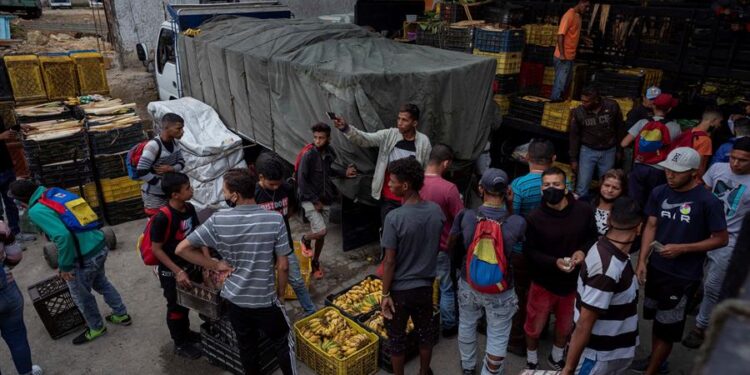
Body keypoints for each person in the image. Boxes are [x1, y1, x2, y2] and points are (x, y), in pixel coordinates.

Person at [176, 169, 296, 375]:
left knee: (247, 348)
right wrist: (281, 295)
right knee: (283, 342)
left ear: (235, 195)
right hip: (265, 300)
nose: (223, 195)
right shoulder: (274, 220)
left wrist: (214, 265)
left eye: (224, 191)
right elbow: (283, 266)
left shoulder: (218, 220)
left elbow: (181, 249)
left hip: (236, 302)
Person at [631, 147, 728, 375]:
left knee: (669, 327)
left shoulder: (708, 202)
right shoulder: (659, 192)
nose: (670, 175)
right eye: (668, 169)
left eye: (677, 171)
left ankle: (652, 370)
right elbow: (651, 225)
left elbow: (721, 239)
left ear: (694, 172)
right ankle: (657, 361)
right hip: (657, 269)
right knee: (658, 321)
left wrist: (684, 248)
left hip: (683, 277)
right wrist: (642, 260)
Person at [9, 180, 132, 346]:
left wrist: (65, 266)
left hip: (83, 258)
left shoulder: (36, 210)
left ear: (22, 199)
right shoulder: (53, 193)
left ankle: (96, 327)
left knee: (82, 296)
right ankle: (121, 314)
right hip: (98, 245)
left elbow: (62, 236)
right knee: (102, 282)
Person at [449, 168, 526, 375]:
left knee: (466, 323)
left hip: (469, 283)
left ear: (481, 189)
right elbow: (518, 242)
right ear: (507, 191)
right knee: (498, 335)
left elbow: (454, 245)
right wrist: (510, 206)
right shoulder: (517, 222)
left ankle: (467, 367)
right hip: (501, 289)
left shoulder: (466, 216)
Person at [524, 167, 598, 371]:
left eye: (556, 184)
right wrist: (553, 262)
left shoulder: (584, 211)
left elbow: (593, 238)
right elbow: (530, 251)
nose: (551, 189)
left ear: (566, 188)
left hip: (573, 284)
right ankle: (531, 359)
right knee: (534, 326)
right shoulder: (534, 217)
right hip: (543, 283)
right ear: (541, 189)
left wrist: (582, 252)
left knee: (565, 326)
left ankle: (557, 357)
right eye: (547, 185)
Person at [683, 138, 750, 348]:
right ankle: (697, 300)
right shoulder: (718, 168)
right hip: (703, 233)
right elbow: (702, 193)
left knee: (713, 285)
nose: (736, 163)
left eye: (743, 160)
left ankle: (700, 327)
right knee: (696, 275)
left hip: (730, 241)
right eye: (733, 158)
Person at [562, 197, 642, 375]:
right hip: (597, 358)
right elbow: (585, 323)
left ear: (608, 219)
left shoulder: (611, 251)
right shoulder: (607, 269)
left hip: (607, 355)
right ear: (639, 228)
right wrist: (568, 370)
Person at [380, 158, 444, 375]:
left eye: (392, 181)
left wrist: (385, 293)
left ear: (405, 186)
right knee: (425, 334)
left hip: (400, 291)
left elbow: (389, 261)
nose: (389, 184)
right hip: (426, 287)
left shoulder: (394, 218)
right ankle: (424, 372)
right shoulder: (436, 212)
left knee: (397, 339)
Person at [332, 104, 432, 224]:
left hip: (410, 198)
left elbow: (426, 171)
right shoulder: (389, 135)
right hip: (389, 196)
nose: (400, 122)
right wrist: (346, 128)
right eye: (399, 118)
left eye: (404, 120)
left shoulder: (423, 142)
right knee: (388, 230)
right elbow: (365, 139)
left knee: (408, 230)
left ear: (414, 123)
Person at [149, 172, 206, 359]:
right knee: (176, 306)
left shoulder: (189, 208)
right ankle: (180, 343)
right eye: (187, 188)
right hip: (171, 269)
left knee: (188, 302)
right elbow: (157, 250)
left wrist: (206, 263)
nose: (192, 190)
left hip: (189, 263)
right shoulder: (162, 218)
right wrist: (178, 271)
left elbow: (199, 235)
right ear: (175, 194)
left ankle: (187, 333)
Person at [508, 138, 556, 354]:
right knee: (543, 293)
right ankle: (540, 331)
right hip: (550, 251)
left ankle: (518, 341)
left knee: (519, 294)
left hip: (521, 252)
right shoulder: (563, 184)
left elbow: (513, 220)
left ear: (527, 158)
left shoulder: (518, 185)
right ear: (553, 159)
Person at [256, 154, 317, 316]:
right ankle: (274, 313)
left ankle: (310, 311)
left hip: (285, 242)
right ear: (261, 177)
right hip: (263, 247)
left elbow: (290, 211)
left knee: (296, 280)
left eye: (278, 184)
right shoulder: (254, 194)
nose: (276, 187)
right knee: (267, 284)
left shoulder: (287, 188)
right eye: (271, 184)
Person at [297, 123, 356, 279]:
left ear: (328, 138)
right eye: (315, 137)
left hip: (326, 199)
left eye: (321, 138)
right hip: (310, 200)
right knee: (321, 231)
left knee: (321, 236)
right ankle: (304, 239)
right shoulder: (308, 155)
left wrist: (345, 172)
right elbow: (301, 181)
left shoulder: (329, 152)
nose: (317, 141)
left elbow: (330, 171)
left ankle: (315, 262)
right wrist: (315, 201)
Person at [419, 144, 463, 338]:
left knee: (420, 284)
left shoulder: (414, 182)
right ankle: (448, 324)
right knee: (445, 286)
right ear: (446, 163)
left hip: (416, 246)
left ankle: (421, 323)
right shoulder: (449, 189)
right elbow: (460, 219)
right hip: (441, 246)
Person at [621, 93, 683, 209]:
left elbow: (624, 143)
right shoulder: (675, 127)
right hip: (659, 170)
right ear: (669, 109)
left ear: (653, 106)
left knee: (634, 202)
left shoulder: (642, 122)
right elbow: (677, 150)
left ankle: (634, 223)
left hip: (639, 167)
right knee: (653, 202)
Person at [0, 220, 43, 375]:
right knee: (16, 336)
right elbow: (15, 255)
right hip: (7, 291)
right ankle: (27, 373)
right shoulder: (0, 226)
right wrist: (4, 267)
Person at [569, 86, 625, 198]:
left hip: (609, 150)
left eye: (586, 101)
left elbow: (620, 128)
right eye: (582, 100)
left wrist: (619, 150)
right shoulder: (579, 112)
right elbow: (574, 136)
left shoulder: (612, 106)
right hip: (588, 150)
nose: (583, 103)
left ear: (596, 99)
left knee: (607, 184)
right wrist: (573, 158)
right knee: (582, 185)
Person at [137, 113, 186, 216]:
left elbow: (182, 162)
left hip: (170, 193)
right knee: (158, 224)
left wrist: (172, 169)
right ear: (166, 128)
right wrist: (163, 185)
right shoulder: (153, 146)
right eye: (178, 128)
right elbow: (141, 171)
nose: (182, 131)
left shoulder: (175, 143)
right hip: (155, 195)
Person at [0, 118, 36, 243]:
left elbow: (4, 132)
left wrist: (17, 127)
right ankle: (4, 242)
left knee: (11, 202)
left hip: (5, 165)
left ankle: (16, 234)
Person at [550, 0, 591, 101]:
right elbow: (560, 35)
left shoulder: (578, 16)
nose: (587, 9)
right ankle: (555, 102)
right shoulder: (569, 15)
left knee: (565, 82)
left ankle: (558, 102)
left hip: (570, 56)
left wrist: (583, 39)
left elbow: (573, 32)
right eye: (586, 6)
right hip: (563, 56)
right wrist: (562, 54)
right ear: (580, 2)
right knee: (560, 83)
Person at [591, 169, 627, 236]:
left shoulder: (624, 211)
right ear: (601, 184)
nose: (610, 190)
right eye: (607, 185)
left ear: (622, 190)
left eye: (615, 188)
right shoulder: (587, 202)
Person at [689, 108, 723, 179]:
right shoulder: (705, 140)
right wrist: (701, 179)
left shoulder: (690, 131)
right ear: (713, 121)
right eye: (719, 122)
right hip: (693, 177)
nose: (719, 125)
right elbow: (701, 164)